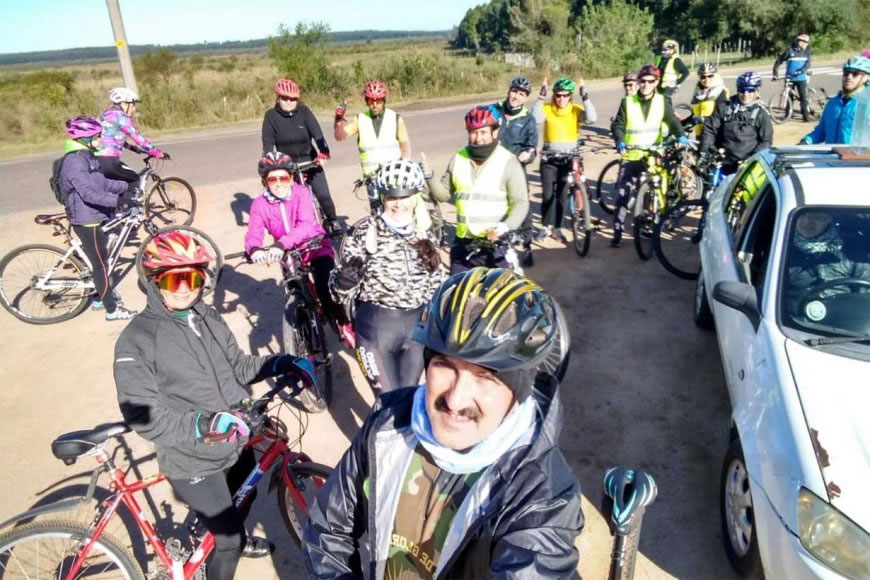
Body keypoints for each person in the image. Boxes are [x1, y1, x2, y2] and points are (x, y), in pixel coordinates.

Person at [304, 267, 584, 578]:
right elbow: (327, 530)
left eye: (486, 377)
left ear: (520, 392)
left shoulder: (541, 492)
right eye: (444, 365)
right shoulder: (388, 422)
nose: (455, 400)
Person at [115, 229, 319, 580]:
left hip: (235, 440)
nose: (185, 288)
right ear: (153, 281)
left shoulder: (205, 316)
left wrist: (279, 363)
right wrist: (203, 424)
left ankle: (230, 535)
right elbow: (141, 415)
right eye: (174, 279)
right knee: (228, 540)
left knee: (246, 496)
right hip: (192, 457)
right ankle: (228, 545)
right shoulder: (137, 340)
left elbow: (237, 365)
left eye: (193, 277)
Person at [330, 160, 446, 394]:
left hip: (416, 332)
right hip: (376, 329)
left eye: (405, 197)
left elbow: (437, 280)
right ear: (382, 198)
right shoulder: (364, 233)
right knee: (388, 403)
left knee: (408, 398)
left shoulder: (426, 230)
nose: (398, 204)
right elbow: (337, 291)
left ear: (415, 198)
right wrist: (344, 280)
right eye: (391, 197)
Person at [244, 152, 349, 337]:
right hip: (287, 253)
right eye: (272, 179)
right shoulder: (259, 205)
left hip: (314, 245)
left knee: (327, 288)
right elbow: (254, 232)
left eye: (283, 177)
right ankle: (307, 334)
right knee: (294, 289)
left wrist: (281, 244)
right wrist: (253, 249)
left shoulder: (301, 193)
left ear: (291, 178)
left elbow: (307, 224)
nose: (278, 183)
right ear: (264, 181)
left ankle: (345, 324)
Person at [422, 105, 529, 274]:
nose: (477, 138)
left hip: (495, 246)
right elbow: (442, 195)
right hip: (463, 244)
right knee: (457, 295)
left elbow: (521, 202)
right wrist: (429, 176)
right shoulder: (458, 158)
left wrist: (505, 227)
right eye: (473, 132)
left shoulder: (508, 161)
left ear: (494, 132)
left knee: (498, 296)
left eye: (483, 132)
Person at [59, 115, 137, 320]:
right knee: (101, 264)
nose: (101, 139)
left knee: (99, 261)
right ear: (84, 138)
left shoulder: (86, 156)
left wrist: (127, 187)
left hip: (94, 214)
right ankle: (111, 309)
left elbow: (100, 183)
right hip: (87, 219)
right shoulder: (74, 161)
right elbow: (89, 194)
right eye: (97, 136)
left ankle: (98, 297)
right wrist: (118, 202)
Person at [610, 64, 687, 248]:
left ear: (656, 82)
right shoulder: (627, 102)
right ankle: (618, 231)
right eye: (642, 81)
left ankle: (650, 222)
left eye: (649, 81)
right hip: (631, 154)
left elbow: (672, 121)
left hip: (653, 154)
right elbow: (618, 125)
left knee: (655, 190)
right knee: (623, 194)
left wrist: (681, 135)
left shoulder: (663, 101)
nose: (645, 84)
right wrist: (620, 140)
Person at [261, 78, 337, 226]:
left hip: (311, 161)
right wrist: (269, 165)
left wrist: (324, 153)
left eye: (292, 99)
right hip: (288, 166)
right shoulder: (270, 117)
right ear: (278, 98)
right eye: (285, 98)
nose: (289, 102)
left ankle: (333, 220)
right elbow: (268, 145)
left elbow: (319, 136)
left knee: (324, 195)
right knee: (292, 201)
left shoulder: (304, 112)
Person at [532, 76, 598, 242]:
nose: (561, 99)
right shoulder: (547, 109)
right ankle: (546, 227)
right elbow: (534, 118)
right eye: (558, 95)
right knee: (548, 195)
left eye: (565, 95)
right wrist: (541, 97)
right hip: (549, 159)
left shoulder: (575, 110)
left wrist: (585, 96)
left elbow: (592, 118)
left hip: (569, 160)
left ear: (570, 96)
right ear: (554, 95)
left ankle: (558, 228)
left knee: (562, 194)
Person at [333, 80, 412, 211]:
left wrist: (404, 171)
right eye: (371, 101)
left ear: (384, 100)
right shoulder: (360, 119)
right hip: (372, 179)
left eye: (378, 101)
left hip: (393, 175)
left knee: (398, 212)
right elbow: (340, 136)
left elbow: (405, 149)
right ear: (366, 101)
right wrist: (338, 119)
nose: (374, 105)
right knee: (377, 216)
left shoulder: (396, 118)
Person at [786, 210, 870, 314]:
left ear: (829, 219)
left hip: (844, 318)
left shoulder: (852, 247)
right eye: (802, 215)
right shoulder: (782, 245)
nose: (807, 221)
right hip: (794, 320)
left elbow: (865, 285)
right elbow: (768, 290)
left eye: (817, 216)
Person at [493, 76, 538, 266]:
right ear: (508, 91)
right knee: (495, 207)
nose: (516, 97)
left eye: (521, 94)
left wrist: (528, 154)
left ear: (526, 98)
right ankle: (498, 245)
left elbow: (532, 146)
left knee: (523, 206)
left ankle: (527, 246)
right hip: (493, 168)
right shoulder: (494, 110)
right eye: (514, 91)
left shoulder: (528, 119)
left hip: (516, 169)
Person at [700, 72, 773, 176]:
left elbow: (766, 141)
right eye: (742, 90)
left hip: (745, 165)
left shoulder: (762, 115)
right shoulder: (724, 107)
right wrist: (705, 151)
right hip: (721, 161)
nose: (745, 94)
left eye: (750, 90)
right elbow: (709, 128)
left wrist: (750, 160)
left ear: (757, 91)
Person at [97, 87, 165, 185]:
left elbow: (114, 139)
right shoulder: (122, 118)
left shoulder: (105, 115)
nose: (134, 109)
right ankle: (129, 201)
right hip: (110, 161)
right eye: (133, 105)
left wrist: (132, 148)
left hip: (97, 160)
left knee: (116, 184)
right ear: (124, 103)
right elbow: (138, 139)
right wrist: (157, 153)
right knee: (134, 179)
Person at [800, 56, 870, 145]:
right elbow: (822, 131)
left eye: (855, 73)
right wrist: (807, 141)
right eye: (846, 73)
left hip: (857, 157)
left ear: (866, 77)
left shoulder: (867, 104)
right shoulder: (833, 103)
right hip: (831, 157)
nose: (849, 77)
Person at [773, 34, 812, 122]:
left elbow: (808, 64)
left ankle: (806, 116)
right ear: (798, 42)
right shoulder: (790, 51)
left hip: (801, 78)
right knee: (788, 97)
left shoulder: (806, 52)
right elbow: (779, 61)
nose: (804, 44)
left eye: (806, 42)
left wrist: (800, 71)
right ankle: (787, 116)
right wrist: (775, 73)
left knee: (803, 98)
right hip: (789, 78)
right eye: (803, 42)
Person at [690, 63, 729, 139]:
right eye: (703, 77)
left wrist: (703, 119)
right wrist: (681, 122)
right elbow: (694, 114)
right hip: (700, 134)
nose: (706, 79)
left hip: (714, 134)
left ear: (716, 75)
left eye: (710, 76)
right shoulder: (698, 93)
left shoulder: (720, 91)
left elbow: (721, 115)